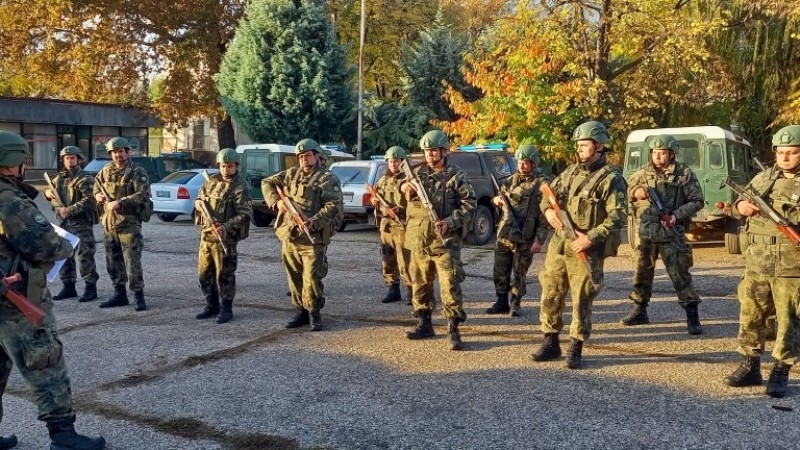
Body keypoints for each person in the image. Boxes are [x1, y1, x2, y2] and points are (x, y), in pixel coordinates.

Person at [0, 131, 106, 450]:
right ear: (13, 161)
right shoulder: (8, 199)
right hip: (15, 301)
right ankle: (63, 436)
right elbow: (46, 244)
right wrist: (64, 246)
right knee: (45, 362)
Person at [531, 121, 627, 369]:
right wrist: (548, 212)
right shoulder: (570, 172)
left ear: (599, 146)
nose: (579, 149)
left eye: (584, 145)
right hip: (559, 245)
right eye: (578, 145)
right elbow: (547, 195)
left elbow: (618, 216)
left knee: (582, 298)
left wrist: (590, 237)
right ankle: (550, 341)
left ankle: (576, 346)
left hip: (586, 249)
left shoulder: (611, 178)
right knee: (550, 291)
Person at [723, 124, 800, 398]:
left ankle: (781, 370)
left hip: (792, 266)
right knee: (751, 314)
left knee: (789, 319)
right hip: (757, 263)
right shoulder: (763, 178)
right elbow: (737, 206)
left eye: (792, 152)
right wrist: (740, 207)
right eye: (780, 152)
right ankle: (750, 365)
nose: (785, 157)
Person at [401, 129, 476, 350]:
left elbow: (470, 206)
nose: (430, 155)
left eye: (434, 150)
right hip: (419, 241)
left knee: (450, 287)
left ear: (444, 151)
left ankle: (453, 328)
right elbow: (398, 199)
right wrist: (403, 188)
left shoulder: (456, 176)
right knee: (420, 285)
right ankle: (424, 323)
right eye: (426, 151)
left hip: (445, 243)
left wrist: (450, 222)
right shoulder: (416, 174)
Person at [622, 135, 705, 334]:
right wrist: (635, 192)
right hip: (646, 233)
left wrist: (676, 216)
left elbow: (697, 201)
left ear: (672, 153)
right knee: (641, 273)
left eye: (663, 153)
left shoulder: (684, 174)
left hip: (671, 232)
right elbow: (624, 191)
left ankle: (692, 316)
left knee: (680, 275)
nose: (658, 156)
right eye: (655, 153)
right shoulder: (642, 174)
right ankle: (640, 309)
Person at [262, 139, 343, 331]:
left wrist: (315, 220)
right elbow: (267, 182)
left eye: (307, 155)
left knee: (312, 277)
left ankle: (314, 313)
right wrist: (277, 202)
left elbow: (333, 205)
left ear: (317, 156)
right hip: (290, 235)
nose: (304, 159)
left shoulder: (327, 178)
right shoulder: (291, 174)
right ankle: (301, 311)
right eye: (300, 156)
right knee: (294, 276)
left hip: (312, 237)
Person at [486, 144, 550, 317]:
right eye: (520, 162)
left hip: (525, 236)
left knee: (520, 272)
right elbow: (500, 199)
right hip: (505, 234)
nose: (522, 166)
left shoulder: (542, 184)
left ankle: (516, 303)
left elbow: (545, 216)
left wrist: (539, 240)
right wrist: (496, 200)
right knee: (500, 269)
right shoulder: (510, 181)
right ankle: (501, 301)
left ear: (534, 163)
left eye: (526, 163)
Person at [93, 137, 151, 311]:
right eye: (114, 152)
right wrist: (98, 196)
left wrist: (120, 202)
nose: (117, 155)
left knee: (132, 262)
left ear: (127, 152)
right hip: (110, 224)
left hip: (129, 224)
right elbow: (96, 188)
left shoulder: (137, 171)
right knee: (113, 260)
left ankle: (139, 296)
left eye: (120, 151)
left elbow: (143, 194)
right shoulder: (106, 170)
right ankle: (119, 294)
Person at [194, 148, 252, 324]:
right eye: (223, 166)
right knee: (204, 273)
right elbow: (200, 199)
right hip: (207, 236)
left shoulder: (240, 187)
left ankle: (226, 308)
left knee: (225, 275)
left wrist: (226, 227)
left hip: (225, 238)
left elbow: (245, 214)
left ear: (236, 166)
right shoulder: (211, 181)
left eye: (229, 166)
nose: (226, 170)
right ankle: (211, 305)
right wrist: (197, 203)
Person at [43, 146, 100, 303]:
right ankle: (68, 286)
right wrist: (47, 194)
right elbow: (50, 192)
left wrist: (70, 210)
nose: (69, 161)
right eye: (67, 158)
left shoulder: (85, 179)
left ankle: (90, 287)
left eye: (72, 158)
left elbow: (91, 200)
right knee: (64, 255)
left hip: (81, 224)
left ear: (79, 159)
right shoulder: (58, 178)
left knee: (85, 255)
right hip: (63, 224)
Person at [371, 146, 412, 304]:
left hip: (402, 226)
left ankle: (412, 291)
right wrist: (374, 200)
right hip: (386, 226)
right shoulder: (383, 180)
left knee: (405, 260)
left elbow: (415, 204)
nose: (393, 164)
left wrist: (400, 209)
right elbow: (375, 195)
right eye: (390, 161)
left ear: (402, 162)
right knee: (387, 259)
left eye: (396, 161)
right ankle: (393, 289)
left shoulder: (409, 180)